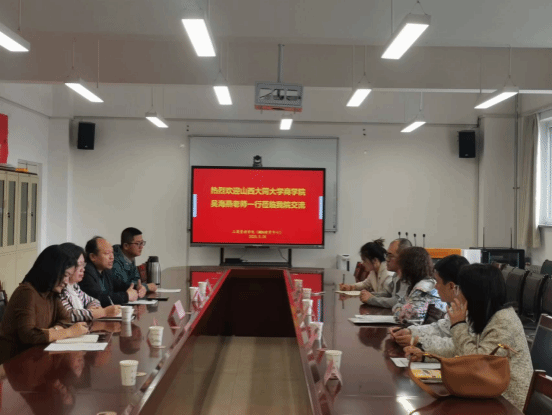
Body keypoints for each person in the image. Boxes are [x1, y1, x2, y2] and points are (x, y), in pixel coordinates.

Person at [404, 264, 533, 411]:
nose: (456, 293)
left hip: (508, 403)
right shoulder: (483, 314)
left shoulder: (503, 321)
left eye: (459, 288)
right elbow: (462, 349)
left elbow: (476, 364)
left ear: (473, 292)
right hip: (489, 393)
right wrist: (425, 355)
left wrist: (458, 325)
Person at [0, 245, 89, 364]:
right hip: (15, 362)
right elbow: (28, 335)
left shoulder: (51, 293)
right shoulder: (26, 292)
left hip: (38, 358)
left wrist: (53, 331)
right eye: (65, 275)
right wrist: (68, 332)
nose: (66, 282)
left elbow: (65, 319)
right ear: (52, 271)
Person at [389, 254, 469, 351]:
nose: (435, 286)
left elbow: (461, 346)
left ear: (451, 286)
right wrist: (410, 331)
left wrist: (418, 341)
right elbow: (441, 328)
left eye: (438, 282)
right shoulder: (458, 305)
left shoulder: (473, 308)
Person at [59, 243, 121, 322]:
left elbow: (93, 300)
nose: (83, 269)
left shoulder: (74, 287)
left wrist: (92, 309)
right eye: (79, 265)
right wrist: (103, 312)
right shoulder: (60, 289)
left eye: (83, 264)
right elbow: (69, 314)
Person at [392, 247, 447, 324]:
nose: (397, 271)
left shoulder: (422, 289)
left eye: (400, 267)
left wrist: (398, 311)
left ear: (408, 267)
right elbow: (400, 303)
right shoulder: (419, 284)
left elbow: (408, 319)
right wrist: (399, 309)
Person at [79, 236, 139, 307]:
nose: (112, 257)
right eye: (107, 253)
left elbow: (120, 285)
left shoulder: (106, 270)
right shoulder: (86, 272)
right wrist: (126, 296)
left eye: (112, 253)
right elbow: (97, 298)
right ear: (93, 257)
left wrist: (137, 288)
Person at [358, 238, 412, 308]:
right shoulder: (396, 274)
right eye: (387, 255)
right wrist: (371, 294)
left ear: (403, 257)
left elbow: (397, 301)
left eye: (390, 256)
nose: (386, 259)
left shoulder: (408, 276)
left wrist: (371, 299)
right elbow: (389, 294)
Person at [112, 227, 156, 295]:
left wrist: (142, 288)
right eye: (138, 243)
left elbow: (137, 281)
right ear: (126, 246)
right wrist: (146, 287)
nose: (141, 247)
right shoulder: (114, 260)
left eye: (142, 243)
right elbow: (122, 286)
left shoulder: (130, 257)